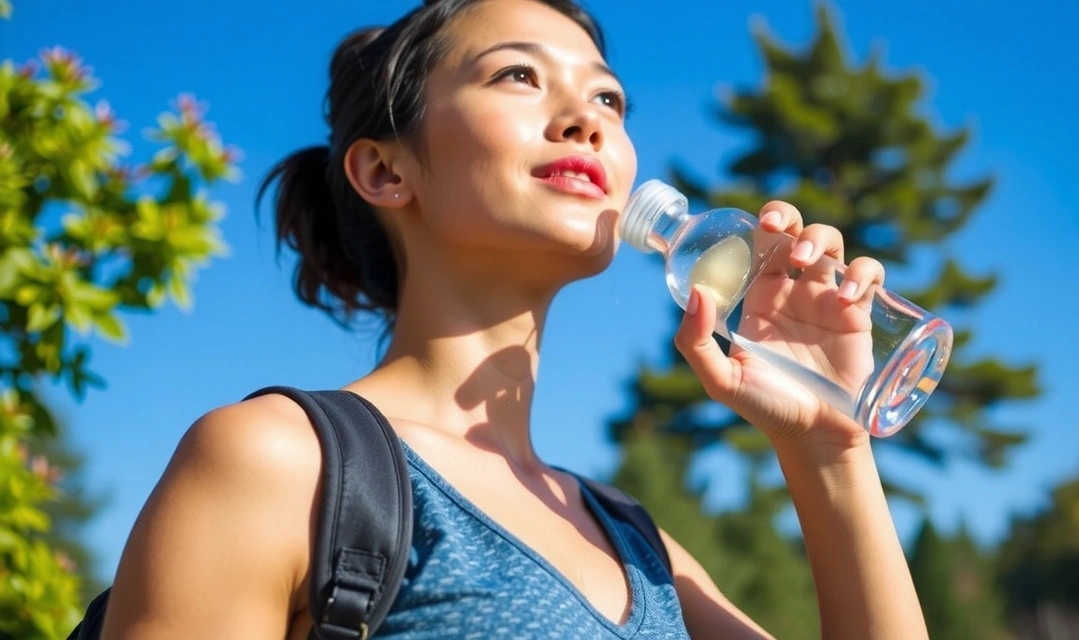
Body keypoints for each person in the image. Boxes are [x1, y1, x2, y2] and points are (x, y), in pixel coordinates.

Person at [100, 0, 929, 637]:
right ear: (386, 171)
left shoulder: (640, 548)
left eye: (609, 96)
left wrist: (827, 446)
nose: (588, 117)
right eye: (518, 76)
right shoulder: (278, 462)